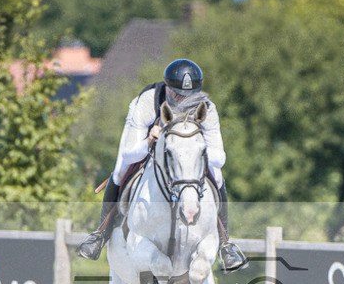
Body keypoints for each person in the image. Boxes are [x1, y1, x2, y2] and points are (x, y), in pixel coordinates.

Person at [76, 59, 248, 272]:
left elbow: (219, 158)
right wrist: (149, 140)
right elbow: (129, 153)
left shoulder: (207, 109)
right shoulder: (147, 103)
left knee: (217, 174)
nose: (184, 100)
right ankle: (100, 234)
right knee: (120, 170)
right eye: (178, 94)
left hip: (188, 154)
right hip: (146, 143)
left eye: (189, 95)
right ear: (167, 88)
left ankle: (225, 244)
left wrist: (196, 146)